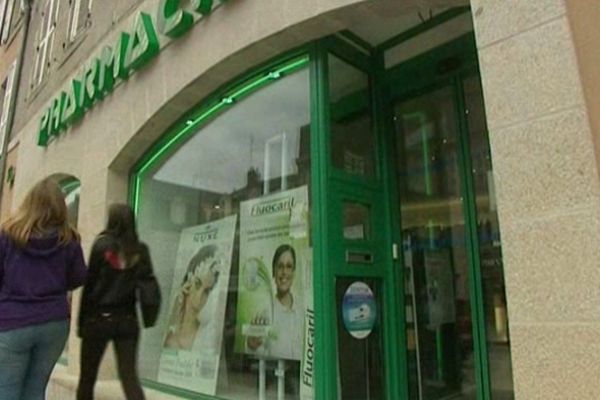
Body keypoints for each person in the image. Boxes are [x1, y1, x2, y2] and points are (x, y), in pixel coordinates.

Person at [0, 176, 87, 400]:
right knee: (35, 390)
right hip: (54, 322)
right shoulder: (69, 239)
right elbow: (78, 277)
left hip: (13, 321)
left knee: (6, 390)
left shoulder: (8, 235)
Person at [76, 204, 155, 400]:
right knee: (129, 378)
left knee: (87, 378)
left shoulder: (102, 245)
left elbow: (90, 285)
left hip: (97, 320)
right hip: (128, 321)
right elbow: (148, 284)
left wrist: (80, 322)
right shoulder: (140, 250)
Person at [247, 244, 302, 360]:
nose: (284, 272)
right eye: (280, 266)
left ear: (294, 272)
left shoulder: (304, 309)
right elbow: (256, 357)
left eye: (289, 267)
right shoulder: (264, 312)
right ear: (273, 271)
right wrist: (252, 344)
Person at [163, 244, 221, 351]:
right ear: (187, 283)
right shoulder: (169, 326)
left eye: (206, 291)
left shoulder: (207, 338)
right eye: (197, 284)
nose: (199, 297)